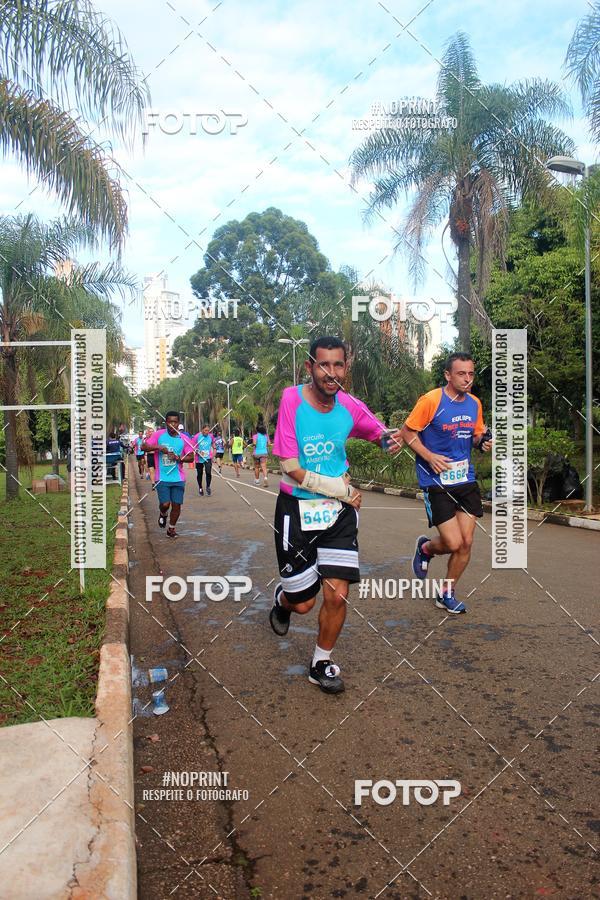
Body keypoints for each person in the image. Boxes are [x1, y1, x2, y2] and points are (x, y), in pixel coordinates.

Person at [269, 335, 403, 694]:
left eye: (338, 365)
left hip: (339, 514)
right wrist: (342, 490)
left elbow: (384, 439)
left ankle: (321, 662)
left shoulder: (352, 407)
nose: (331, 373)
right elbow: (289, 466)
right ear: (310, 366)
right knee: (303, 603)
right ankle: (283, 601)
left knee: (337, 593)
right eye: (323, 364)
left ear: (347, 367)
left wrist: (405, 437)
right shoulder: (291, 400)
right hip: (297, 509)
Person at [400, 352, 493, 615]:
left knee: (466, 543)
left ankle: (446, 593)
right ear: (448, 375)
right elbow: (408, 432)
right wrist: (429, 456)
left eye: (471, 374)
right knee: (452, 543)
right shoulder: (431, 400)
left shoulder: (474, 403)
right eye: (461, 374)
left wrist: (482, 442)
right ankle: (426, 547)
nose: (467, 379)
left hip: (465, 478)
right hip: (435, 480)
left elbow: (475, 436)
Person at [142, 411, 195, 538]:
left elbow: (191, 457)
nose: (172, 424)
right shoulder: (159, 435)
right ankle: (163, 513)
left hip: (178, 477)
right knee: (165, 504)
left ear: (178, 423)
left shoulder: (184, 439)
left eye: (175, 422)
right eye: (170, 422)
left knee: (176, 505)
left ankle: (171, 529)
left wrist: (179, 458)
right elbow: (144, 447)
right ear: (166, 423)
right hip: (162, 478)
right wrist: (159, 447)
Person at [193, 423, 214, 496]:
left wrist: (213, 454)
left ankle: (208, 487)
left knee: (208, 472)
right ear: (202, 430)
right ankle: (200, 487)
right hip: (199, 459)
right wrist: (198, 451)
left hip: (208, 458)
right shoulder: (197, 436)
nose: (207, 432)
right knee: (200, 473)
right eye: (205, 430)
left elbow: (213, 445)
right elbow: (192, 446)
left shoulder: (210, 436)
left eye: (208, 430)